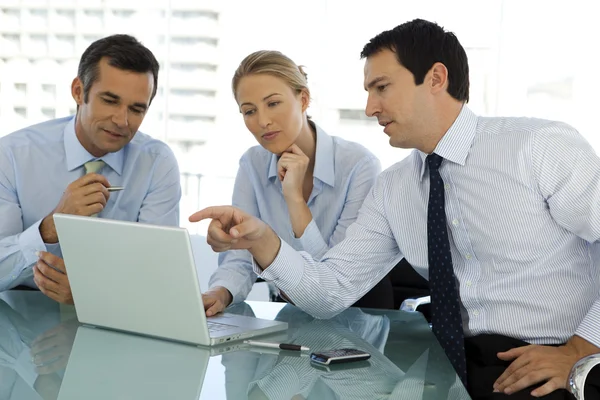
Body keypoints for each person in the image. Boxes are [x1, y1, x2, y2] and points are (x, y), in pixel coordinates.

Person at [190, 19, 600, 400]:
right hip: (446, 367)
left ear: (436, 78)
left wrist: (582, 348)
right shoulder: (394, 187)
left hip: (556, 360)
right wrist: (263, 239)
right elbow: (329, 293)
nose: (370, 108)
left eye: (381, 88)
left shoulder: (539, 147)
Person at [201, 50, 391, 316]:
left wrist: (295, 200)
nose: (263, 121)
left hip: (356, 316)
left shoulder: (358, 166)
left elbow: (331, 281)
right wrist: (220, 292)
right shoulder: (252, 164)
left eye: (273, 103)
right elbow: (240, 256)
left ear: (303, 99)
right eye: (249, 111)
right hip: (289, 316)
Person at [0, 34, 181, 304]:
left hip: (117, 315)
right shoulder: (13, 155)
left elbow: (159, 274)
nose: (121, 120)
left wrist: (92, 293)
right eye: (109, 100)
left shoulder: (156, 163)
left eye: (136, 109)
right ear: (78, 91)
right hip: (21, 314)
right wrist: (51, 227)